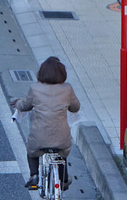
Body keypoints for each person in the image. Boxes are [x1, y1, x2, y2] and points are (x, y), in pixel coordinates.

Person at [11, 57, 81, 190]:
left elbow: (24, 105)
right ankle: (63, 179)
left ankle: (34, 175)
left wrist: (17, 103)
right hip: (62, 138)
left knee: (31, 151)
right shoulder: (67, 89)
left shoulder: (35, 88)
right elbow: (75, 108)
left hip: (39, 138)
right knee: (61, 154)